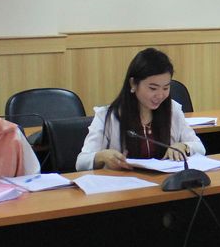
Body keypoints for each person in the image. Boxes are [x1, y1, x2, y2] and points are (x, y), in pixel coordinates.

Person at [76, 47, 205, 171]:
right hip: (125, 183)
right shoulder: (107, 116)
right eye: (153, 88)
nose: (160, 95)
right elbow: (81, 162)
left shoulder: (173, 110)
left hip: (165, 182)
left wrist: (184, 146)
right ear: (133, 83)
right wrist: (101, 156)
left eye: (166, 88)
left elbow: (200, 147)